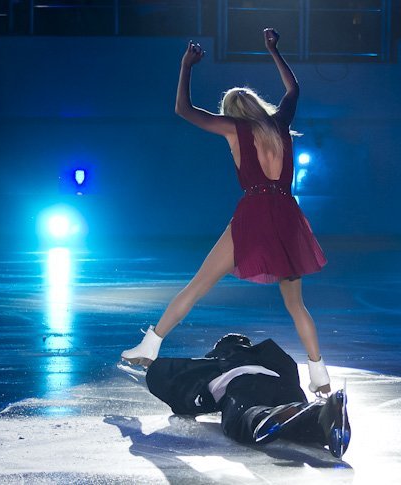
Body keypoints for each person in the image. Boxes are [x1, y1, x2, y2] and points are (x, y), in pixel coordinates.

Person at [121, 28, 331, 394]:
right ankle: (319, 374)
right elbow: (293, 90)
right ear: (256, 105)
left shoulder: (234, 129)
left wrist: (187, 66)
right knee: (297, 305)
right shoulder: (280, 124)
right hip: (287, 214)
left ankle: (150, 345)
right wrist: (273, 50)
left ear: (232, 112)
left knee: (200, 283)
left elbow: (183, 110)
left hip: (254, 213)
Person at [141, 333, 351, 459]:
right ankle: (321, 415)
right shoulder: (269, 355)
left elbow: (178, 385)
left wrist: (153, 369)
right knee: (298, 426)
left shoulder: (220, 358)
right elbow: (292, 371)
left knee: (242, 420)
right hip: (283, 385)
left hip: (244, 384)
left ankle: (267, 415)